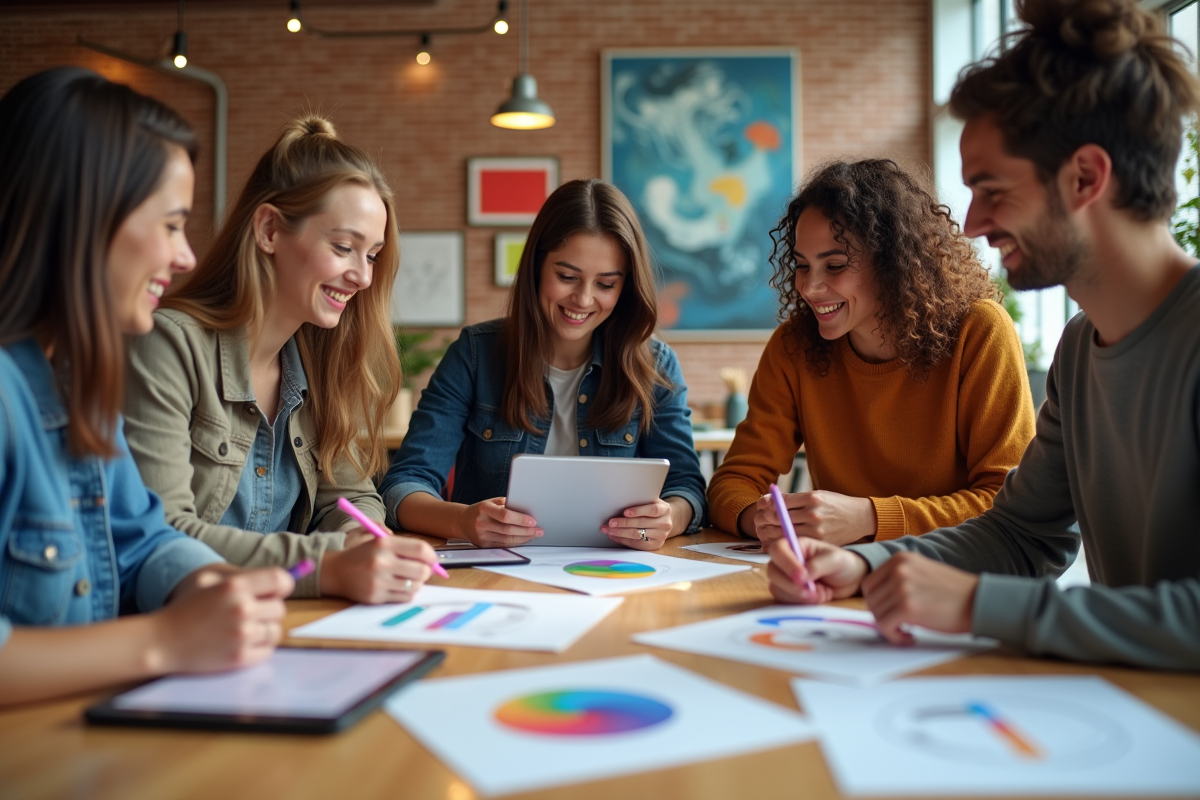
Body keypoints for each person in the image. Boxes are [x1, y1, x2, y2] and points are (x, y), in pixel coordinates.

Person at [768, 0, 1200, 670]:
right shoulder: (1082, 354)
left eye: (992, 190)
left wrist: (974, 605)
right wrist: (863, 563)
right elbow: (1021, 534)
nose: (971, 223)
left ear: (1086, 177)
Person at [0, 67, 292, 705]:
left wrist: (212, 588)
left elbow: (142, 540)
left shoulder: (76, 386)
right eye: (168, 225)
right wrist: (165, 641)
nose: (186, 257)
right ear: (82, 219)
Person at [123, 116, 438, 603]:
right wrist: (328, 564)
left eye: (372, 255)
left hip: (275, 627)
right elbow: (164, 532)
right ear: (269, 229)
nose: (363, 277)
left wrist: (365, 540)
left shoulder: (321, 362)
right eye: (343, 247)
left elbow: (350, 498)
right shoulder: (169, 346)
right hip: (180, 633)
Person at [708, 158, 1035, 545]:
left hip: (954, 578)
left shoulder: (979, 331)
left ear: (893, 263)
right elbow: (734, 481)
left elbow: (1009, 503)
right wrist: (757, 519)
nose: (809, 287)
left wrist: (870, 517)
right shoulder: (794, 346)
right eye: (801, 265)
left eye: (835, 265)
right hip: (839, 580)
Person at [379, 179, 706, 550]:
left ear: (626, 287)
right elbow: (403, 485)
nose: (583, 299)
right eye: (566, 277)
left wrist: (664, 521)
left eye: (606, 284)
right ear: (536, 267)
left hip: (612, 575)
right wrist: (463, 520)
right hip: (493, 577)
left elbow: (688, 490)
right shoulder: (474, 354)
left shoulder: (655, 365)